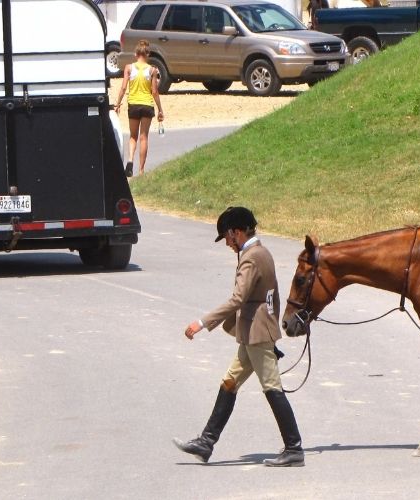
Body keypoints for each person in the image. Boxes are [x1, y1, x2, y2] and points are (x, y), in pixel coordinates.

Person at [173, 206, 305, 467]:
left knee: (272, 388)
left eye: (227, 237)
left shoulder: (251, 257)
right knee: (229, 382)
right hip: (253, 333)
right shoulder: (260, 252)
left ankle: (294, 448)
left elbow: (238, 298)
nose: (227, 244)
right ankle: (206, 442)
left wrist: (202, 322)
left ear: (237, 232)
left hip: (257, 335)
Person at [113, 40, 164, 177]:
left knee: (133, 136)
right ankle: (141, 171)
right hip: (147, 105)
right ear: (147, 54)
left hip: (133, 104)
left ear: (136, 54)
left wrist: (117, 104)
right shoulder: (152, 70)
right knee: (144, 137)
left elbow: (123, 87)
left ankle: (130, 161)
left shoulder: (129, 68)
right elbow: (154, 92)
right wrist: (160, 109)